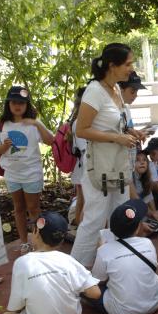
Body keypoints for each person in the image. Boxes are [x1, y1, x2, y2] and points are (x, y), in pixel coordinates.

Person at [70, 43, 139, 268]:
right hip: (99, 166)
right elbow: (81, 130)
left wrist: (130, 132)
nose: (131, 68)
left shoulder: (116, 89)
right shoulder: (94, 91)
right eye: (127, 64)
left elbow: (114, 125)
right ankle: (76, 273)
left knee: (121, 215)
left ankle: (117, 267)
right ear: (112, 65)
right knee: (95, 220)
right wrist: (117, 138)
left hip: (117, 165)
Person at [0, 212, 101, 314]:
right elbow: (95, 293)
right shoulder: (69, 260)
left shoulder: (22, 263)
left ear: (35, 232)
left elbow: (15, 307)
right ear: (62, 239)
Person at [0, 86, 54, 254]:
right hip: (12, 174)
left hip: (31, 173)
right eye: (14, 102)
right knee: (18, 208)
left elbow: (50, 140)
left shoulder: (33, 123)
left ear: (27, 105)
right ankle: (24, 242)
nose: (17, 106)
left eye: (22, 103)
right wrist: (4, 146)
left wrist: (37, 123)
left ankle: (37, 241)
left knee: (33, 208)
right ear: (8, 104)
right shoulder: (2, 124)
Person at [89, 199, 158, 314]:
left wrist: (99, 250)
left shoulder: (104, 250)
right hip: (154, 304)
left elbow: (97, 280)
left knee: (87, 287)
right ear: (139, 227)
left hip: (122, 312)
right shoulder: (147, 243)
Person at [133, 150, 158, 233]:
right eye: (137, 160)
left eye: (144, 160)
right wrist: (152, 214)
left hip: (146, 214)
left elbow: (150, 201)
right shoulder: (131, 179)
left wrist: (155, 216)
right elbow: (137, 202)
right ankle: (156, 228)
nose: (142, 162)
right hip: (134, 214)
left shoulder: (146, 180)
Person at [68, 87, 87, 234]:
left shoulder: (76, 119)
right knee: (84, 200)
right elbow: (84, 148)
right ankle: (81, 227)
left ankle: (78, 224)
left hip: (80, 167)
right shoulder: (80, 121)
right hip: (84, 167)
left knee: (82, 199)